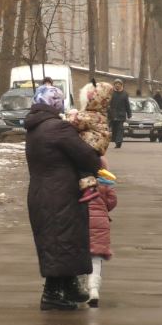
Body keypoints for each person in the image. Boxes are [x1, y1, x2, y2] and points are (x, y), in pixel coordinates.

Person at [25, 84, 101, 311]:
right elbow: (88, 158)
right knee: (61, 241)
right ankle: (52, 294)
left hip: (42, 193)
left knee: (57, 241)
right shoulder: (58, 128)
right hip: (60, 195)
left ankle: (67, 286)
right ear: (57, 103)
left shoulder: (34, 127)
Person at [66, 82, 114, 203]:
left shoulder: (89, 116)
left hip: (90, 146)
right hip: (96, 147)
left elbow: (73, 122)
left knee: (82, 168)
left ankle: (89, 189)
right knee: (87, 168)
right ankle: (90, 187)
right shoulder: (100, 114)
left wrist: (68, 115)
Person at [85, 158, 117, 307]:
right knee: (96, 258)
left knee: (79, 256)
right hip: (100, 224)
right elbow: (112, 202)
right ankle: (94, 289)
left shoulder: (80, 181)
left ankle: (80, 288)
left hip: (81, 221)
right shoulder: (105, 184)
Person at [108, 79, 132, 148]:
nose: (117, 85)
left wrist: (129, 113)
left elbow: (127, 104)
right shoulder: (111, 93)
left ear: (121, 85)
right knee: (114, 129)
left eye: (119, 84)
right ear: (114, 85)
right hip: (112, 114)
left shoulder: (125, 94)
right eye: (116, 84)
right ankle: (116, 140)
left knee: (120, 128)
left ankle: (119, 141)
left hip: (121, 114)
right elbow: (108, 102)